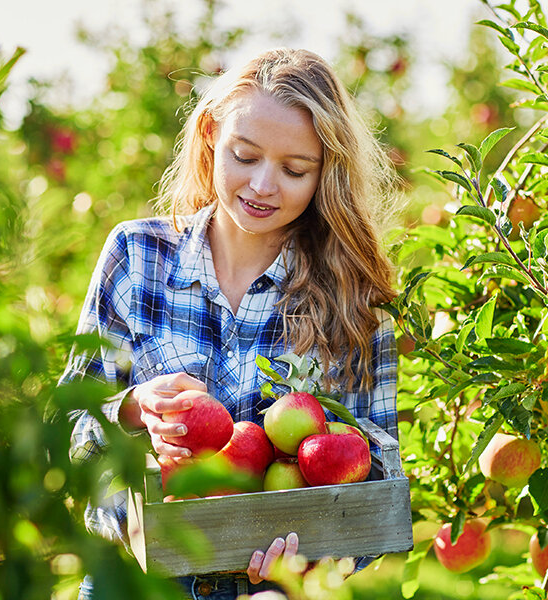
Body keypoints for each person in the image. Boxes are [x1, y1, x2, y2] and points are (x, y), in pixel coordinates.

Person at [61, 47, 401, 600]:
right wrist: (130, 408)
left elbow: (380, 468)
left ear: (326, 173)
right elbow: (67, 423)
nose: (264, 185)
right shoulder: (138, 255)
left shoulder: (351, 300)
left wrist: (307, 569)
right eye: (244, 156)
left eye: (294, 170)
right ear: (212, 137)